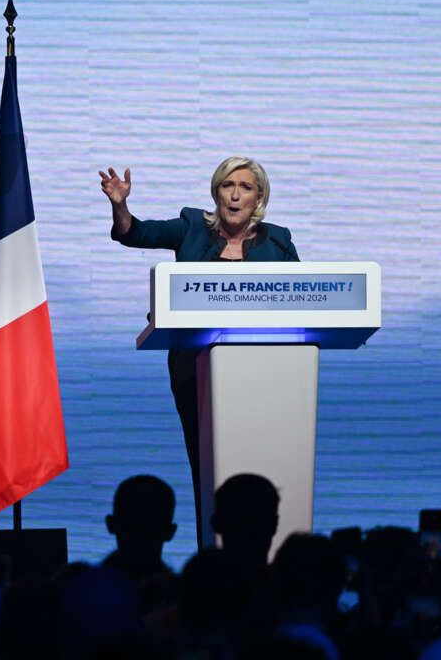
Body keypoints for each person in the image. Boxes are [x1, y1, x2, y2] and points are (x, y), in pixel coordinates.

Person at [99, 157, 299, 540]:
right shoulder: (192, 227)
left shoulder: (278, 241)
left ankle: (267, 546)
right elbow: (134, 233)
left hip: (267, 372)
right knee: (207, 465)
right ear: (217, 192)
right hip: (196, 369)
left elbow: (305, 300)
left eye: (245, 187)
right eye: (227, 186)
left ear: (259, 197)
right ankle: (215, 551)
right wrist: (120, 205)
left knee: (265, 464)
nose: (235, 194)